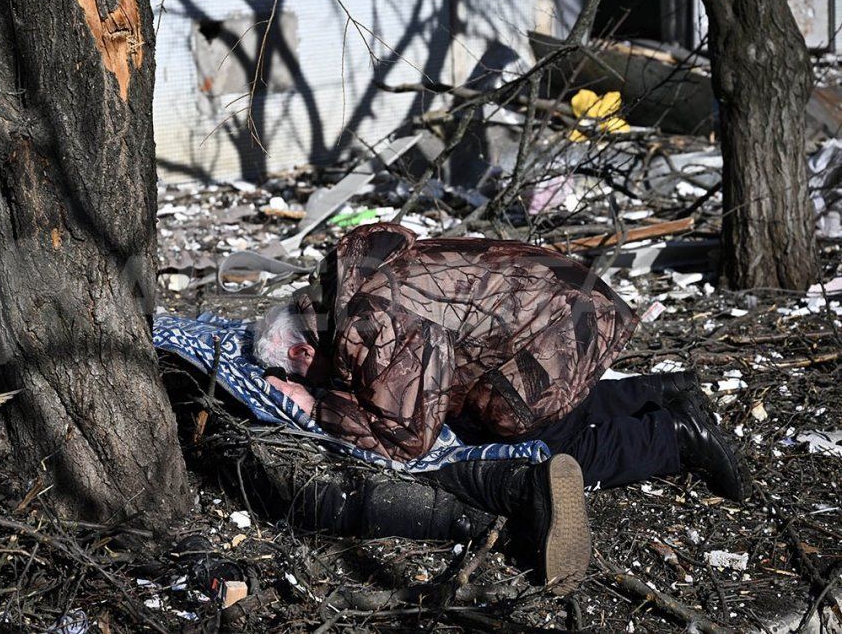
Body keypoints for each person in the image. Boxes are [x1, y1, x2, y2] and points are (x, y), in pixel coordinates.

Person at [254, 222, 750, 592]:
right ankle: (659, 392)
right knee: (504, 401)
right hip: (573, 303)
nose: (311, 381)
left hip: (566, 327)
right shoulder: (351, 282)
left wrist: (319, 408)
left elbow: (405, 439)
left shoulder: (371, 323)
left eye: (302, 373)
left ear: (302, 352)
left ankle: (671, 437)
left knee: (525, 433)